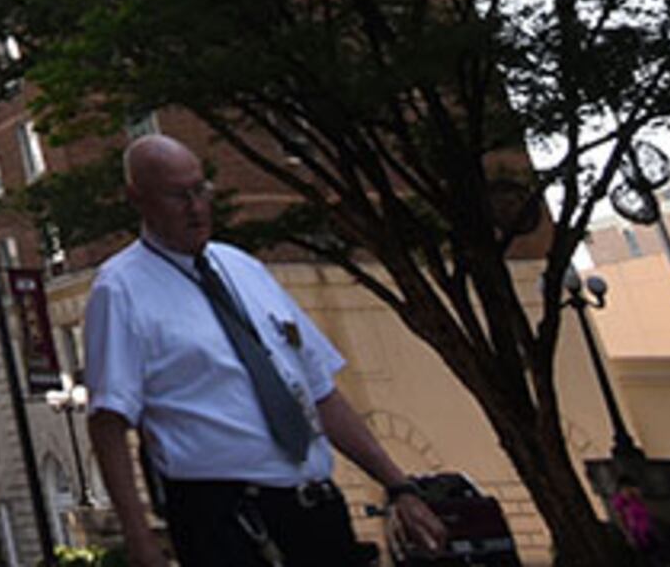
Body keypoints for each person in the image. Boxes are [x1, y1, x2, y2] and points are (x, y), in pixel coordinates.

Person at [86, 135, 449, 567]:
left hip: (313, 506)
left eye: (201, 190)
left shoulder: (243, 268)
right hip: (225, 517)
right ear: (138, 199)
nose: (196, 207)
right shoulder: (120, 289)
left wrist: (399, 486)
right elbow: (108, 421)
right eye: (178, 196)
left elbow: (319, 392)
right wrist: (140, 537)